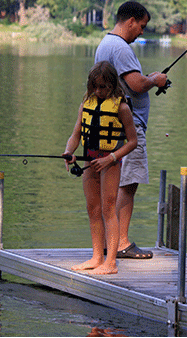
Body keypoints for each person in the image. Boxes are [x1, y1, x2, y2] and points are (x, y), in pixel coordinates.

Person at [94, 1, 168, 259]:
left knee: (114, 185)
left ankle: (108, 242)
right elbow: (136, 84)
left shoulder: (105, 44)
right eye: (142, 26)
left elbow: (126, 83)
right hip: (129, 127)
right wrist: (155, 80)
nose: (142, 32)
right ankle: (122, 242)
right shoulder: (121, 48)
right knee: (129, 183)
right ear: (131, 21)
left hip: (110, 126)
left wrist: (147, 79)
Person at [63, 61, 138, 275]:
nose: (99, 91)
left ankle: (111, 263)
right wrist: (69, 152)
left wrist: (111, 158)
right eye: (95, 86)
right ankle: (97, 257)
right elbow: (76, 134)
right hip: (90, 160)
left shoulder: (121, 107)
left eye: (104, 87)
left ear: (112, 85)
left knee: (108, 208)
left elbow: (133, 142)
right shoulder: (86, 103)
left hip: (110, 162)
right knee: (92, 209)